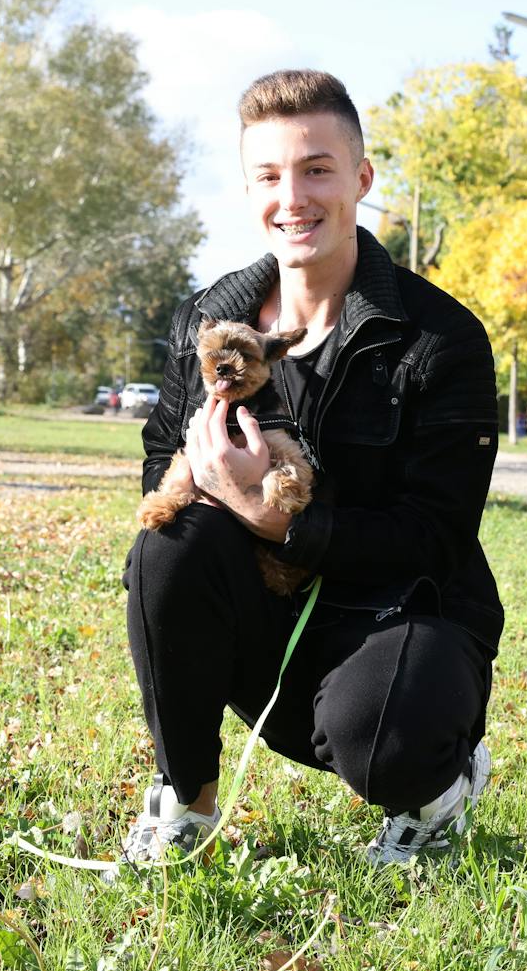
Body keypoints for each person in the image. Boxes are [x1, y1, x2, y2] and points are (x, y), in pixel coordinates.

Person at [123, 69, 501, 866]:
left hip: (400, 616)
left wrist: (280, 519)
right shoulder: (206, 319)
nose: (292, 197)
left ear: (361, 179)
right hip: (260, 621)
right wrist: (215, 486)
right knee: (166, 545)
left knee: (388, 737)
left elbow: (436, 535)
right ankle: (184, 801)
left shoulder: (442, 339)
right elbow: (162, 457)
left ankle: (439, 790)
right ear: (249, 186)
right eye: (269, 175)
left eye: (317, 169)